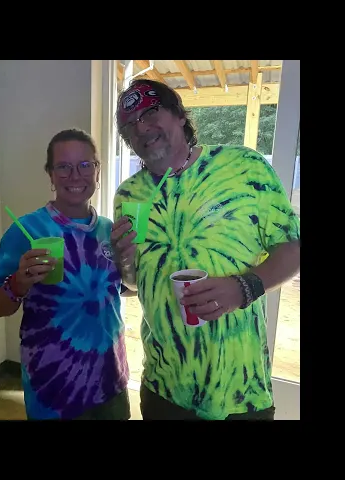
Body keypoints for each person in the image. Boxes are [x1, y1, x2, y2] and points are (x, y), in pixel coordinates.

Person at [111, 79, 300, 420]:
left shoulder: (244, 167)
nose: (141, 127)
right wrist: (124, 261)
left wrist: (243, 288)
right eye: (130, 125)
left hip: (240, 391)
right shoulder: (129, 195)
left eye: (150, 112)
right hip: (163, 387)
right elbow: (137, 283)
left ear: (180, 115)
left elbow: (293, 249)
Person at [0, 128, 131, 420]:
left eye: (85, 165)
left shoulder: (108, 229)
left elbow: (122, 290)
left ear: (97, 171)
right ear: (50, 174)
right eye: (63, 167)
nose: (75, 175)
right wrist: (18, 283)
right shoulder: (26, 230)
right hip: (54, 388)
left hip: (111, 381)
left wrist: (130, 262)